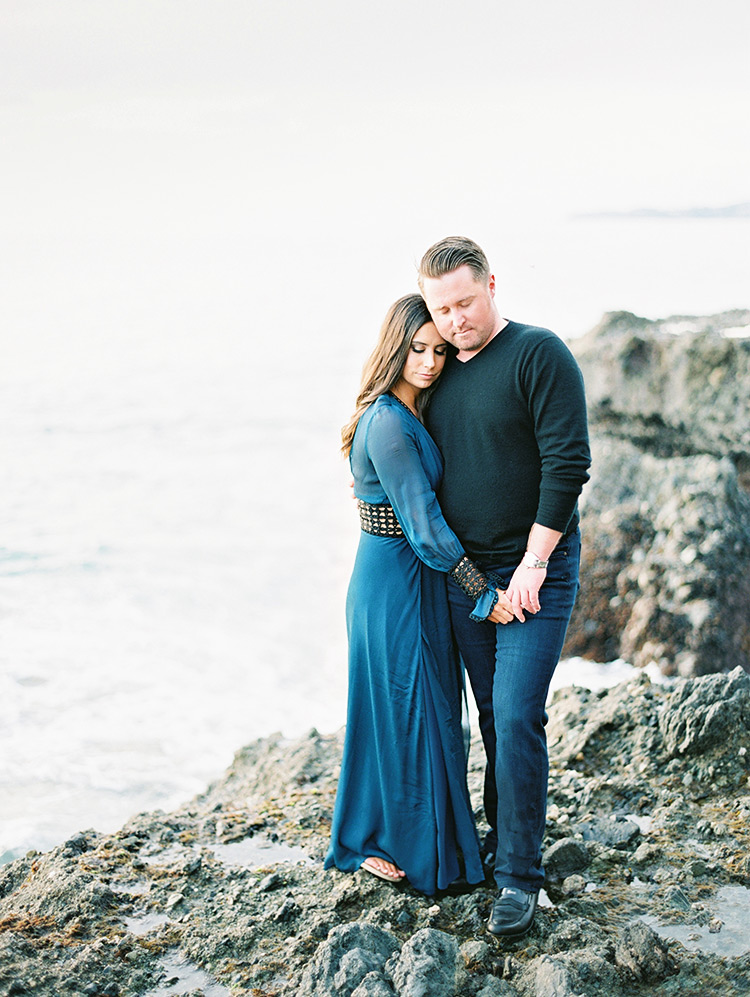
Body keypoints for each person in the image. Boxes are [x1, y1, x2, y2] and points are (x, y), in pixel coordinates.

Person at [418, 236, 591, 937]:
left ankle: (520, 875)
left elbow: (569, 462)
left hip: (534, 573)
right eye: (442, 308)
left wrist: (534, 562)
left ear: (492, 283)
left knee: (519, 714)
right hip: (463, 580)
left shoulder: (537, 353)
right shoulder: (432, 375)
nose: (456, 318)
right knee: (490, 718)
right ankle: (500, 842)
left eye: (466, 301)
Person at [324, 293, 513, 896]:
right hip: (392, 588)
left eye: (438, 350)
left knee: (427, 711)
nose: (430, 361)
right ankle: (379, 844)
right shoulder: (386, 422)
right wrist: (483, 592)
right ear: (394, 348)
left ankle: (428, 839)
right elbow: (424, 524)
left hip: (413, 581)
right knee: (407, 714)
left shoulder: (411, 413)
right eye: (417, 349)